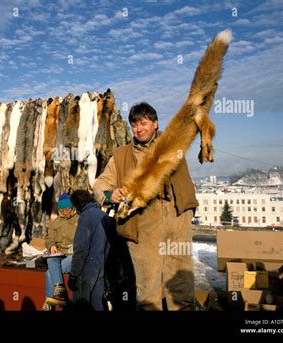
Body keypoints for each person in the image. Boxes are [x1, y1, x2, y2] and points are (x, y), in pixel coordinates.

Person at [93, 102, 198, 310]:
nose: (139, 128)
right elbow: (100, 184)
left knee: (181, 285)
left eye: (144, 123)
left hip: (177, 218)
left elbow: (191, 120)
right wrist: (109, 194)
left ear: (156, 124)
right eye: (135, 124)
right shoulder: (122, 155)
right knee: (148, 289)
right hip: (143, 223)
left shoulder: (172, 145)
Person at [67, 189, 111, 311]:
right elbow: (109, 246)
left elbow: (80, 249)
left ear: (78, 205)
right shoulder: (104, 216)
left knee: (82, 305)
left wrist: (73, 275)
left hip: (86, 269)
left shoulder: (85, 217)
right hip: (101, 266)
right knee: (97, 305)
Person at [42, 193, 78, 311]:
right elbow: (49, 238)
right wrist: (51, 246)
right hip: (60, 253)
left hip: (74, 255)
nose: (66, 212)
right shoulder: (55, 222)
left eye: (68, 209)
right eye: (62, 210)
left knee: (49, 273)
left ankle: (50, 301)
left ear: (72, 208)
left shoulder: (80, 219)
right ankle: (59, 294)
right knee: (51, 259)